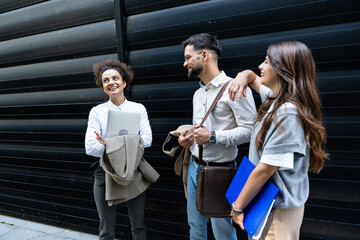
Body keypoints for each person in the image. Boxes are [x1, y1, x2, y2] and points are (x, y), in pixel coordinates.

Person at [228, 41, 329, 239]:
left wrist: (238, 206)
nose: (261, 66)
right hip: (268, 206)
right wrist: (242, 76)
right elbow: (251, 77)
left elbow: (265, 169)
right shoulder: (277, 99)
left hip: (276, 211)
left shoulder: (287, 112)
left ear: (283, 69)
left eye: (267, 62)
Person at [178, 33, 257, 240]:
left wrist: (212, 137)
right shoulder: (198, 93)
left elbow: (251, 131)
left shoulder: (235, 87)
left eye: (188, 57)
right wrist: (188, 140)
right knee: (195, 227)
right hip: (195, 167)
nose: (184, 63)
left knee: (223, 232)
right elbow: (201, 131)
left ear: (204, 55)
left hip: (222, 172)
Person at [85, 59, 152, 240]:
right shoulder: (97, 111)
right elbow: (90, 147)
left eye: (115, 78)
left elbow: (147, 140)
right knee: (106, 229)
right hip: (104, 173)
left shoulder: (138, 109)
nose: (111, 82)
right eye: (105, 80)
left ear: (124, 82)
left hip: (133, 170)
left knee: (138, 225)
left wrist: (110, 144)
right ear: (102, 86)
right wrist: (128, 143)